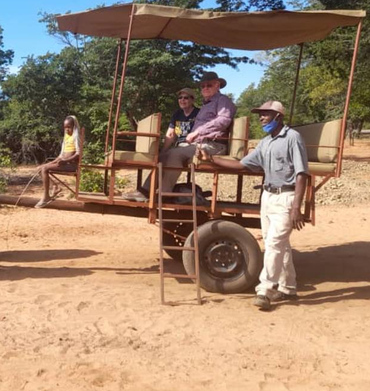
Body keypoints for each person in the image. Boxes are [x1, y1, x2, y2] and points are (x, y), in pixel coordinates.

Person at [202, 100, 308, 311]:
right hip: (267, 196)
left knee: (275, 244)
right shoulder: (265, 142)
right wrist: (212, 159)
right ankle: (288, 288)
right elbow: (241, 164)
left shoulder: (292, 138)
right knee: (276, 243)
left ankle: (265, 291)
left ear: (278, 116)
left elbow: (301, 173)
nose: (261, 118)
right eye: (260, 114)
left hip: (285, 197)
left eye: (265, 114)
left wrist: (297, 206)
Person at [123, 72, 236, 201]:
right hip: (200, 144)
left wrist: (197, 132)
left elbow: (224, 120)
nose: (205, 88)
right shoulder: (205, 105)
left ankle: (164, 194)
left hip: (214, 145)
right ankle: (144, 191)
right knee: (164, 155)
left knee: (174, 154)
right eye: (202, 86)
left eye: (209, 85)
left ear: (217, 85)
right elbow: (172, 133)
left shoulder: (223, 100)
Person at [35, 116, 81, 208]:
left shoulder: (76, 136)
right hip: (63, 163)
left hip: (71, 165)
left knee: (44, 169)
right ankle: (55, 186)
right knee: (40, 168)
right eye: (65, 127)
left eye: (69, 127)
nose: (67, 129)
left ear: (74, 126)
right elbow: (60, 155)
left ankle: (46, 197)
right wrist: (51, 163)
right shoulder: (66, 137)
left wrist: (66, 161)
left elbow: (78, 154)